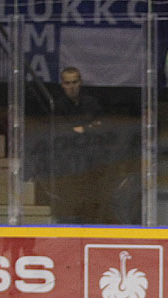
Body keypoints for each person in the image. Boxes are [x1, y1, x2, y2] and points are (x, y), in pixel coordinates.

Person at [52, 66, 104, 224]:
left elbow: (100, 125)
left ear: (80, 82)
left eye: (74, 82)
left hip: (90, 159)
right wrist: (84, 129)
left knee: (91, 196)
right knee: (70, 197)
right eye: (68, 83)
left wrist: (82, 129)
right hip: (67, 161)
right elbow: (59, 130)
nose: (72, 86)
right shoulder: (58, 106)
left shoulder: (91, 102)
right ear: (62, 84)